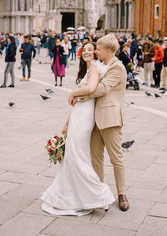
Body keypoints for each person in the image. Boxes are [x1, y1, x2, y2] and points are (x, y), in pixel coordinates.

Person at [41, 41, 115, 216]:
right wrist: (67, 122)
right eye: (85, 50)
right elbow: (77, 103)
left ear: (96, 53)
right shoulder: (87, 69)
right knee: (72, 156)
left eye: (91, 50)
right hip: (78, 113)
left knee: (78, 156)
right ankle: (76, 195)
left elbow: (90, 88)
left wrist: (72, 93)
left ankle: (101, 194)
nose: (87, 52)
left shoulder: (96, 68)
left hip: (85, 116)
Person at [74, 34, 129, 212]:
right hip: (94, 118)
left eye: (98, 49)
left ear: (108, 50)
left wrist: (79, 95)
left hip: (110, 118)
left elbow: (104, 89)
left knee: (116, 158)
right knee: (96, 158)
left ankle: (121, 193)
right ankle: (100, 194)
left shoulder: (117, 67)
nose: (95, 51)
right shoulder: (101, 65)